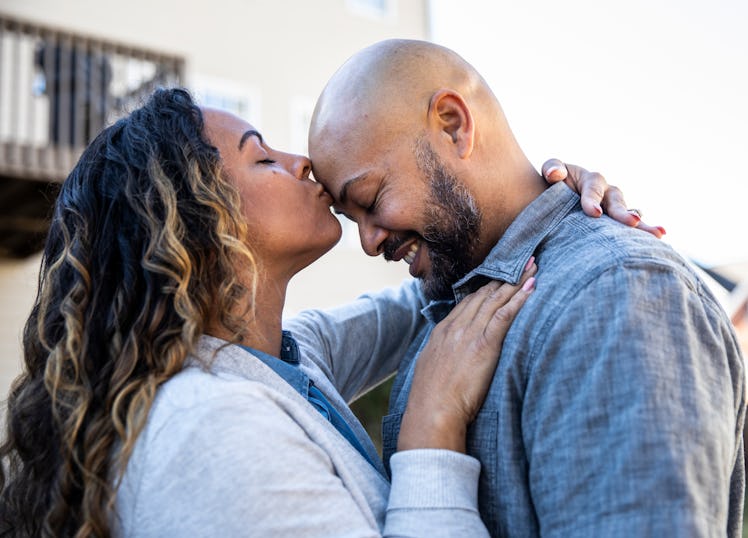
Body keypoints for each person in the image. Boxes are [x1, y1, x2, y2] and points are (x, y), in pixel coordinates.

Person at [2, 85, 640, 537]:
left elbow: (423, 296)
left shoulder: (276, 359)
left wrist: (534, 199)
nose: (302, 161)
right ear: (197, 221)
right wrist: (431, 431)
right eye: (261, 157)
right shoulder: (204, 429)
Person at [308, 39, 745, 536]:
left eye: (369, 197)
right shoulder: (457, 297)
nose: (368, 242)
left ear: (453, 125)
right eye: (351, 219)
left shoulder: (613, 294)